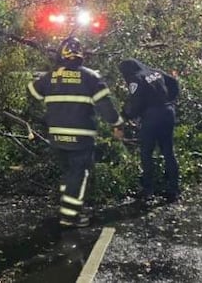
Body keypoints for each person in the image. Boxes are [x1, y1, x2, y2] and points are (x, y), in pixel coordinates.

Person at [28, 36, 123, 228]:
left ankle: (68, 207)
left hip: (57, 137)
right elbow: (106, 107)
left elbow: (32, 91)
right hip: (81, 138)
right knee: (79, 175)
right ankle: (70, 216)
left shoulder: (51, 76)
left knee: (69, 174)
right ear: (81, 54)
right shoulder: (91, 77)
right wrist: (117, 124)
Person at [118, 58, 180, 205]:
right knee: (168, 151)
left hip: (152, 116)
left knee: (146, 153)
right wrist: (169, 100)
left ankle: (148, 191)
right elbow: (174, 83)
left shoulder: (135, 78)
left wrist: (126, 115)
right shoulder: (155, 71)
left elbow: (136, 102)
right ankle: (174, 190)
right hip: (168, 112)